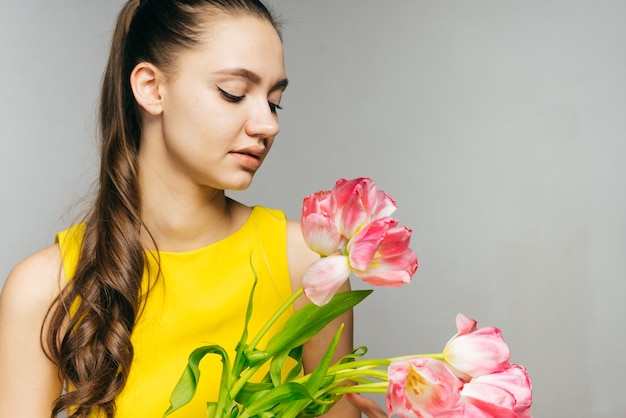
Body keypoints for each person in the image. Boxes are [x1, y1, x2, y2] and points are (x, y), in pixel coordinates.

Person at [0, 0, 388, 417]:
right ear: (151, 88)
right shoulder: (44, 289)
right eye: (233, 93)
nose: (268, 124)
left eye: (274, 101)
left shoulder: (307, 263)